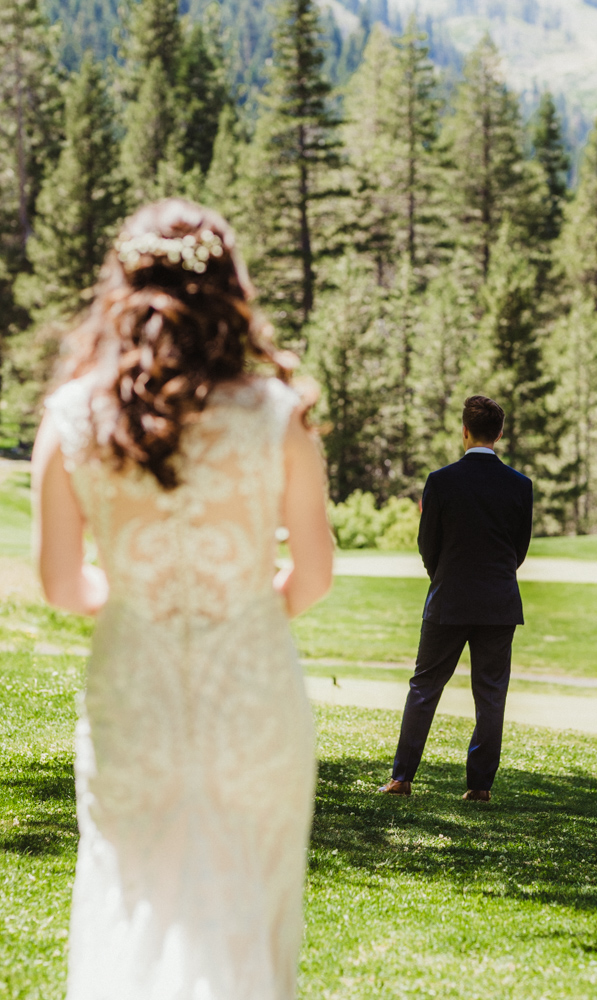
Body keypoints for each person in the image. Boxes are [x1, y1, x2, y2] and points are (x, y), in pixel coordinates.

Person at [31, 198, 333, 1000]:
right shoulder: (277, 415)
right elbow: (312, 577)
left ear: (119, 290)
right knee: (252, 912)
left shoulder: (70, 420)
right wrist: (237, 607)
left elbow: (63, 585)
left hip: (135, 690)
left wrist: (139, 601)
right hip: (253, 687)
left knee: (130, 895)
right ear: (229, 289)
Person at [379, 395, 532, 802]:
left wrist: (444, 577)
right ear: (499, 434)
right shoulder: (520, 485)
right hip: (499, 604)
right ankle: (479, 786)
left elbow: (428, 544)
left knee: (425, 687)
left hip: (448, 599)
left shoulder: (441, 481)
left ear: (464, 431)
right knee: (491, 695)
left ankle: (401, 778)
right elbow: (519, 549)